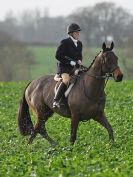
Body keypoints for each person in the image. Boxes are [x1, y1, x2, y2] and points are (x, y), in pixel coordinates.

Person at [53, 23, 83, 108]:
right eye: (76, 32)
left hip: (75, 68)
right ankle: (56, 100)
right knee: (66, 80)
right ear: (71, 33)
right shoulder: (65, 42)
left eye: (78, 32)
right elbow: (58, 55)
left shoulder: (79, 44)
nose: (78, 33)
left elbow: (79, 56)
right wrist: (69, 62)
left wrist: (79, 60)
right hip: (64, 67)